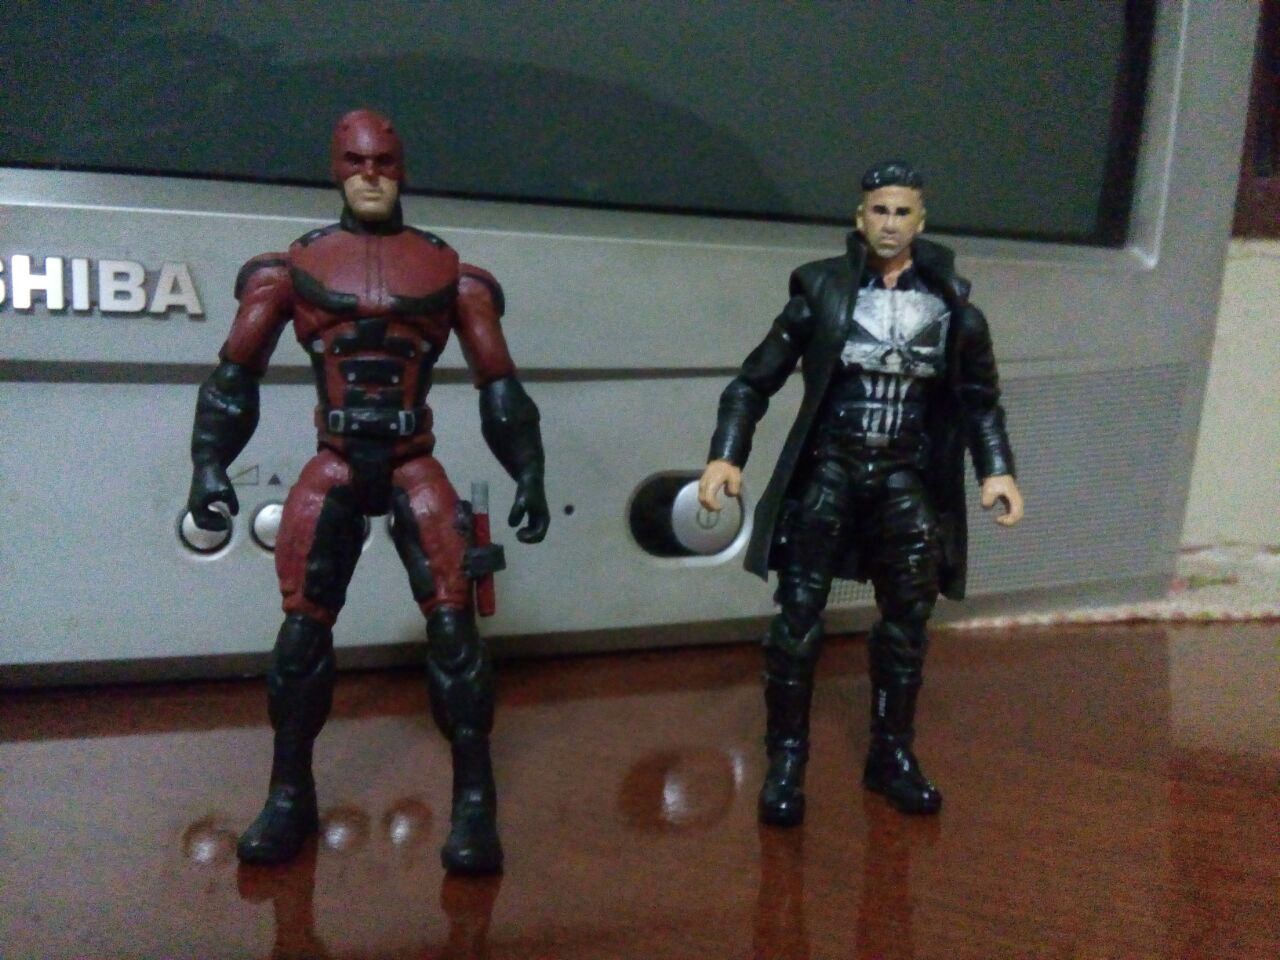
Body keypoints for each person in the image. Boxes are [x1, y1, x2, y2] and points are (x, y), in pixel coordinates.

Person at [187, 109, 548, 874]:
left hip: (415, 460)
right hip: (337, 461)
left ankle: (474, 805)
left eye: (384, 161)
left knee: (454, 635)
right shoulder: (291, 269)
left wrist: (529, 470)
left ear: (402, 168)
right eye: (356, 162)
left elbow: (499, 384)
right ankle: (289, 796)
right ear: (336, 170)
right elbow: (233, 377)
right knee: (301, 636)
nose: (372, 175)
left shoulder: (452, 273)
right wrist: (209, 463)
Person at [698, 160, 1023, 823]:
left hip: (904, 476)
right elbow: (752, 383)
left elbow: (981, 400)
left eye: (902, 212)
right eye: (879, 210)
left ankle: (891, 754)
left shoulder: (955, 311)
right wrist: (727, 456)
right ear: (860, 217)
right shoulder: (821, 294)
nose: (890, 223)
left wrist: (997, 469)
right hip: (831, 472)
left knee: (907, 622)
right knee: (796, 622)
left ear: (920, 221)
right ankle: (787, 761)